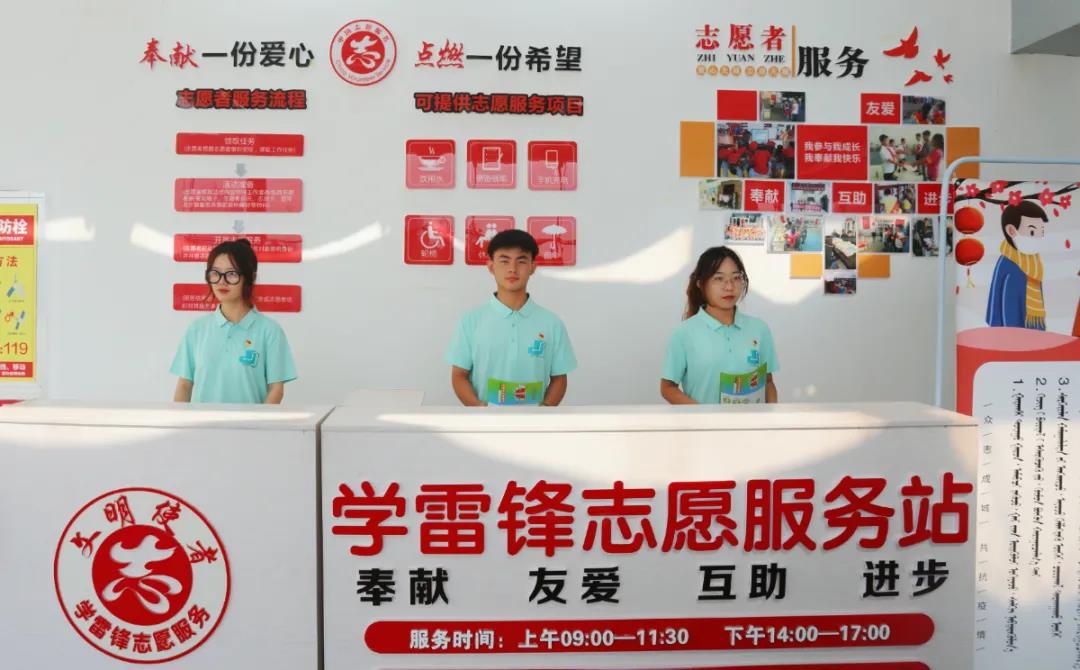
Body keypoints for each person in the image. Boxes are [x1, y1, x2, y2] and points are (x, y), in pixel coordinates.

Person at [446, 229, 576, 406]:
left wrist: (543, 412)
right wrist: (480, 411)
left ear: (533, 267)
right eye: (504, 260)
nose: (512, 269)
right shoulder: (470, 321)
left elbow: (559, 378)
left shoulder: (552, 323)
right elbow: (459, 375)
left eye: (521, 261)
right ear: (491, 266)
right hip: (485, 420)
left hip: (535, 422)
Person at [171, 239, 296, 404]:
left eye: (231, 274)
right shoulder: (197, 329)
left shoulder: (270, 331)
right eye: (215, 273)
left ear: (250, 277)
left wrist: (258, 421)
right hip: (201, 421)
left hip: (251, 421)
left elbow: (276, 390)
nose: (221, 281)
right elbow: (184, 386)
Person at [661, 246, 779, 404]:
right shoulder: (683, 333)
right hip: (703, 420)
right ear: (701, 283)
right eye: (718, 278)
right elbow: (668, 388)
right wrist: (701, 414)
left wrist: (771, 415)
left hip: (751, 420)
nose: (729, 286)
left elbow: (768, 381)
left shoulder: (759, 329)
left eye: (736, 277)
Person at [987, 201, 1051, 330]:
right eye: (1032, 232)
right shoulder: (1009, 263)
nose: (1038, 238)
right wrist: (1011, 334)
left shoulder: (1034, 263)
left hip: (1031, 328)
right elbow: (1006, 305)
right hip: (1010, 330)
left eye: (1041, 232)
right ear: (1011, 231)